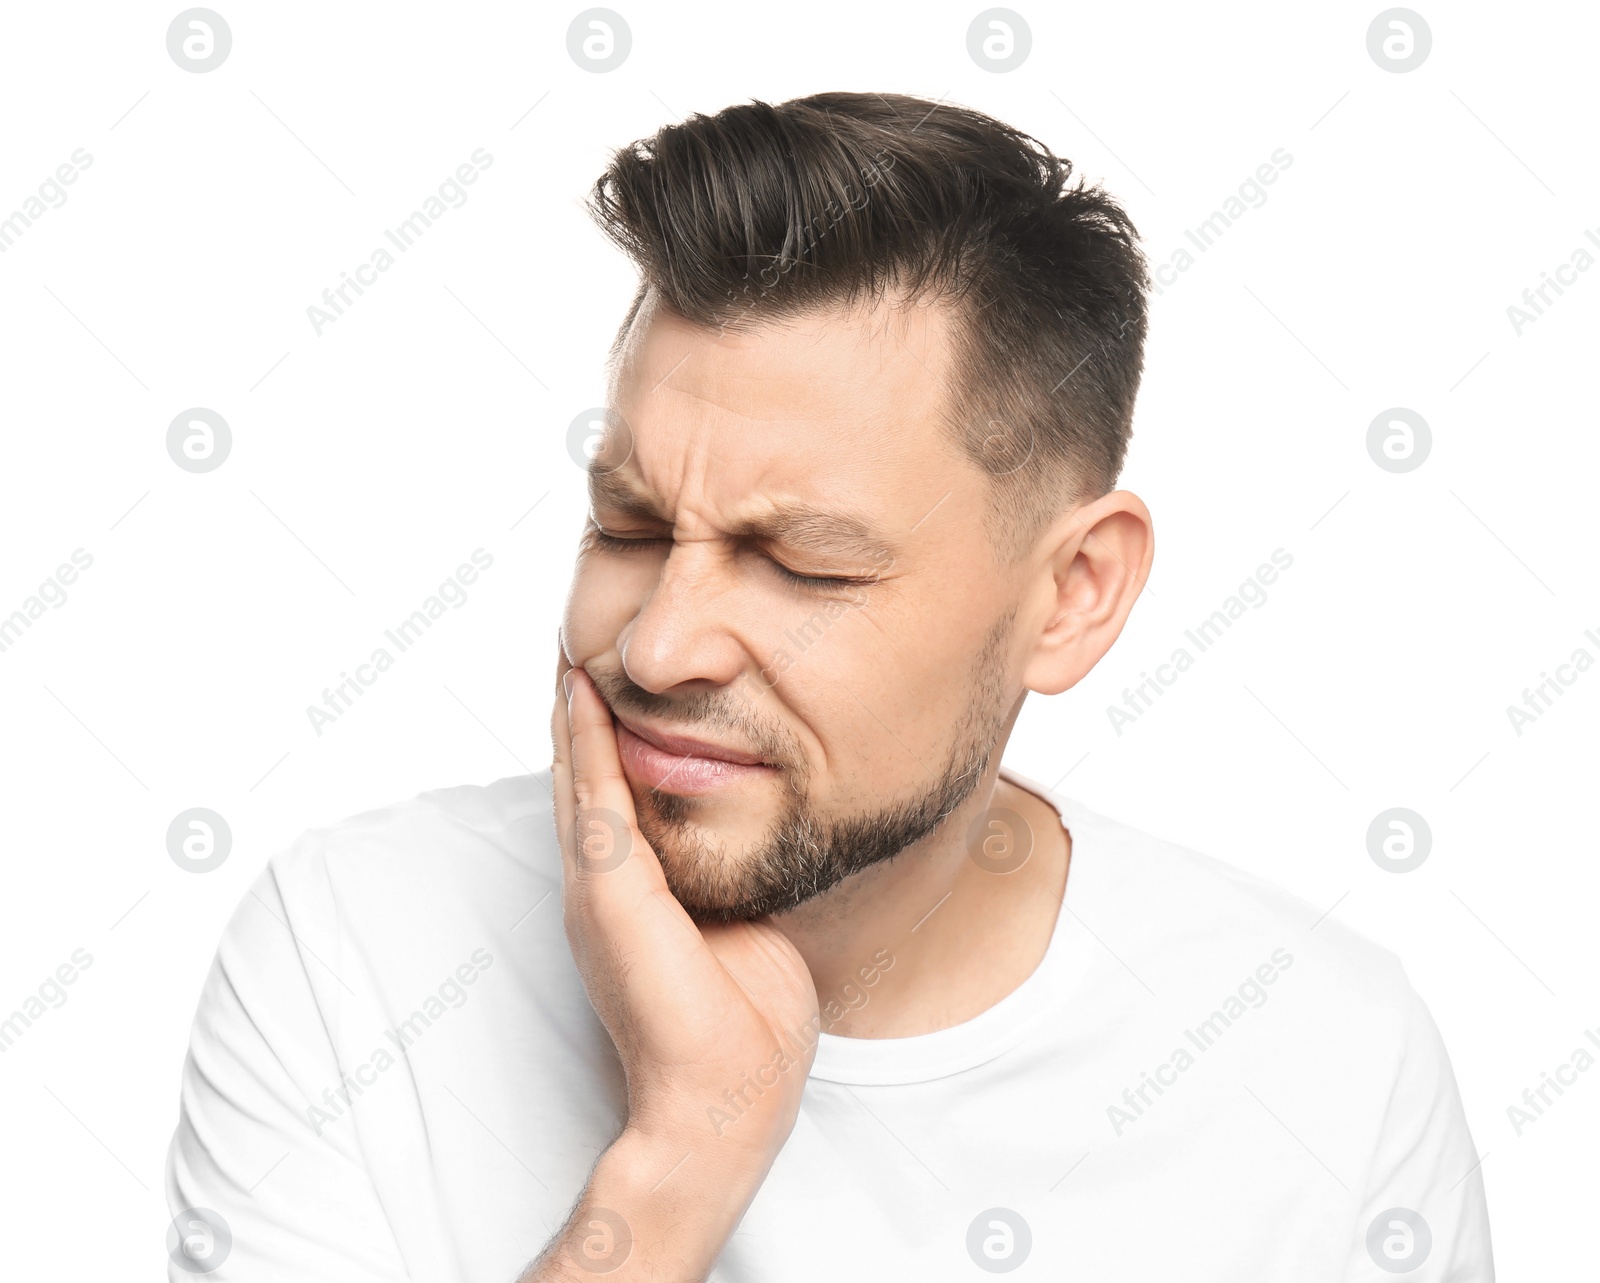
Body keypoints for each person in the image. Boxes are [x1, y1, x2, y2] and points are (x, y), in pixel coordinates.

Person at [166, 91, 1494, 1281]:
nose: (657, 648)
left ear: (1074, 594)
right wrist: (680, 1162)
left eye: (802, 565)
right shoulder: (353, 953)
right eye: (628, 528)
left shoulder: (1326, 1067)